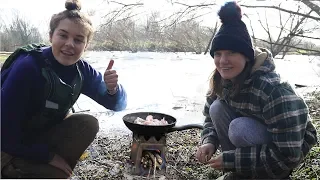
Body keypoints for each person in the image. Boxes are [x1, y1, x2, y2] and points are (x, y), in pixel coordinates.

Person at [1, 0, 127, 178]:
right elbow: (5, 136)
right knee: (58, 174)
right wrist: (50, 157)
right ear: (51, 36)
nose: (70, 44)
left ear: (86, 45)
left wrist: (113, 89)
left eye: (78, 40)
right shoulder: (28, 68)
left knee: (88, 123)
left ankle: (43, 169)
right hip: (6, 146)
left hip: (37, 137)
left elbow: (118, 105)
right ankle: (15, 170)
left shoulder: (82, 69)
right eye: (63, 35)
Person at [195, 1, 318, 180]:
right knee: (216, 108)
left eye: (231, 53)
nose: (222, 61)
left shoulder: (274, 90)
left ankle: (268, 176)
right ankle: (241, 174)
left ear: (246, 55)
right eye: (218, 53)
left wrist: (234, 160)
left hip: (285, 153)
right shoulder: (221, 79)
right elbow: (209, 118)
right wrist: (209, 141)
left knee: (239, 128)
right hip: (253, 141)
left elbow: (289, 154)